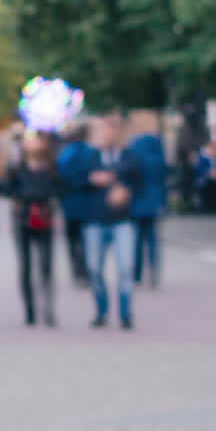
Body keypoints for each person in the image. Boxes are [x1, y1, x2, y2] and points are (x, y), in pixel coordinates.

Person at [82, 113, 141, 330]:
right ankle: (101, 311)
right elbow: (74, 180)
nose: (109, 134)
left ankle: (125, 314)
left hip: (122, 220)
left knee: (125, 268)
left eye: (113, 129)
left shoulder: (129, 157)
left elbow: (139, 181)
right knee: (94, 268)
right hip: (95, 220)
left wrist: (124, 190)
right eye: (105, 129)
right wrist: (92, 179)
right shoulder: (90, 157)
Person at [0, 130, 59, 327]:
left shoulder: (51, 167)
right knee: (25, 267)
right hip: (23, 218)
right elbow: (1, 188)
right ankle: (30, 310)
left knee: (46, 265)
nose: (33, 145)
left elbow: (61, 188)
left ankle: (48, 309)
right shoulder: (17, 168)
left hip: (44, 218)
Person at [128, 110, 168, 288]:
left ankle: (137, 274)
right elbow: (162, 173)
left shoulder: (134, 146)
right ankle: (153, 272)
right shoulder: (156, 145)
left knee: (137, 238)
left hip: (138, 197)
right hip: (153, 197)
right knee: (151, 238)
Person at [57, 122, 95, 287]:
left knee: (73, 240)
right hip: (87, 204)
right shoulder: (91, 153)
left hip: (70, 204)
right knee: (86, 240)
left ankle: (76, 271)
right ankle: (86, 270)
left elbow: (60, 178)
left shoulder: (65, 154)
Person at [194, 140, 216, 213]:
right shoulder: (203, 158)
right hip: (206, 179)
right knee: (203, 184)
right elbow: (199, 170)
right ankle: (205, 205)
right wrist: (209, 173)